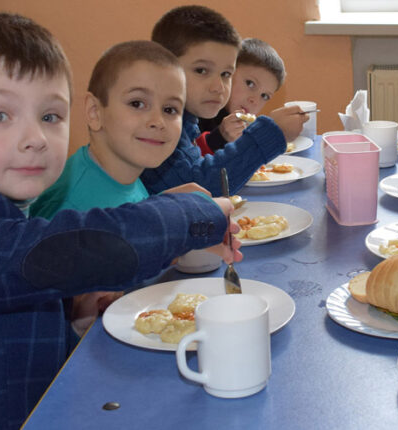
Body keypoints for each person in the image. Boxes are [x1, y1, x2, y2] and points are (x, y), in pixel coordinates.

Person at [0, 13, 242, 429]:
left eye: (50, 116)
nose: (35, 137)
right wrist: (193, 217)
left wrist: (75, 311)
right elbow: (64, 248)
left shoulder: (0, 213)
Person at [30, 40, 224, 334]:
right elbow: (50, 316)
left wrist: (162, 206)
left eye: (171, 109)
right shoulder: (74, 201)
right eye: (137, 104)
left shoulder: (122, 174)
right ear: (94, 112)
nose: (157, 121)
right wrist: (78, 313)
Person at [141, 5, 306, 196]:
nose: (218, 87)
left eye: (226, 74)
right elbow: (201, 189)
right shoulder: (154, 126)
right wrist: (270, 133)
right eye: (201, 70)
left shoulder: (185, 119)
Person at [198, 37, 286, 154]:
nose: (254, 100)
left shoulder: (246, 127)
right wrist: (219, 138)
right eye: (250, 84)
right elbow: (186, 165)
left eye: (264, 96)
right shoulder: (198, 111)